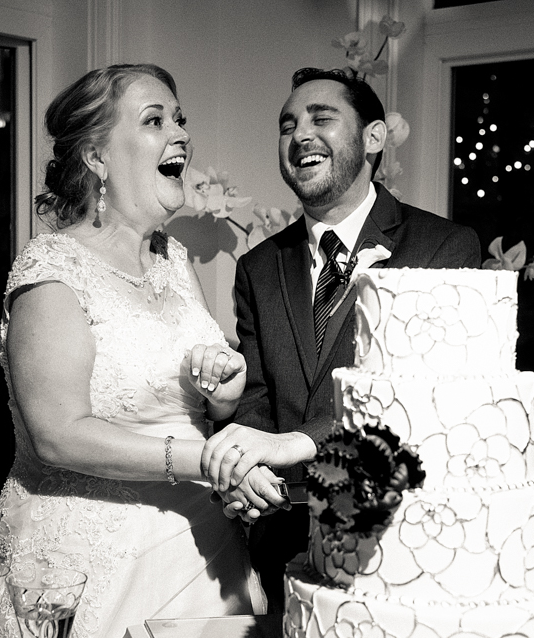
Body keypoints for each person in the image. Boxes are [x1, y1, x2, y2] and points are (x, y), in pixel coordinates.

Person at [0, 64, 285, 638]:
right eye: (155, 121)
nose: (180, 134)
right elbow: (57, 435)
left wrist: (222, 390)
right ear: (96, 157)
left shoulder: (173, 260)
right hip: (93, 563)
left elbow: (195, 401)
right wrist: (209, 459)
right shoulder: (52, 273)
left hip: (204, 551)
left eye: (180, 120)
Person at [200, 67, 482, 610]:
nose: (299, 134)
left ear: (373, 137)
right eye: (287, 126)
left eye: (320, 118)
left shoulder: (443, 248)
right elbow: (256, 397)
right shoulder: (260, 266)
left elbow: (414, 402)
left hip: (395, 550)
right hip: (282, 545)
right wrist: (250, 467)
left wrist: (293, 444)